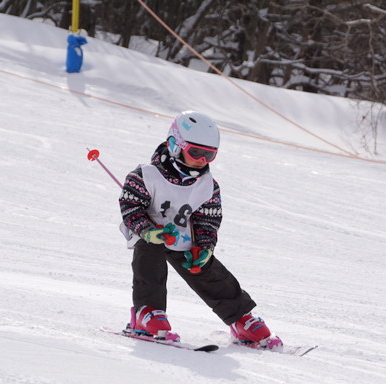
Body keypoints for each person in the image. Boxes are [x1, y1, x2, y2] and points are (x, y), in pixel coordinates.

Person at [118, 111, 283, 349]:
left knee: (207, 269)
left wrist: (204, 247)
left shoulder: (208, 186)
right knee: (150, 261)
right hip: (150, 233)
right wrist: (146, 229)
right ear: (174, 144)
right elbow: (130, 206)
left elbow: (208, 220)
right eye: (196, 152)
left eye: (209, 155)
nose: (202, 160)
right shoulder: (145, 175)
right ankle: (147, 313)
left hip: (183, 236)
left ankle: (240, 319)